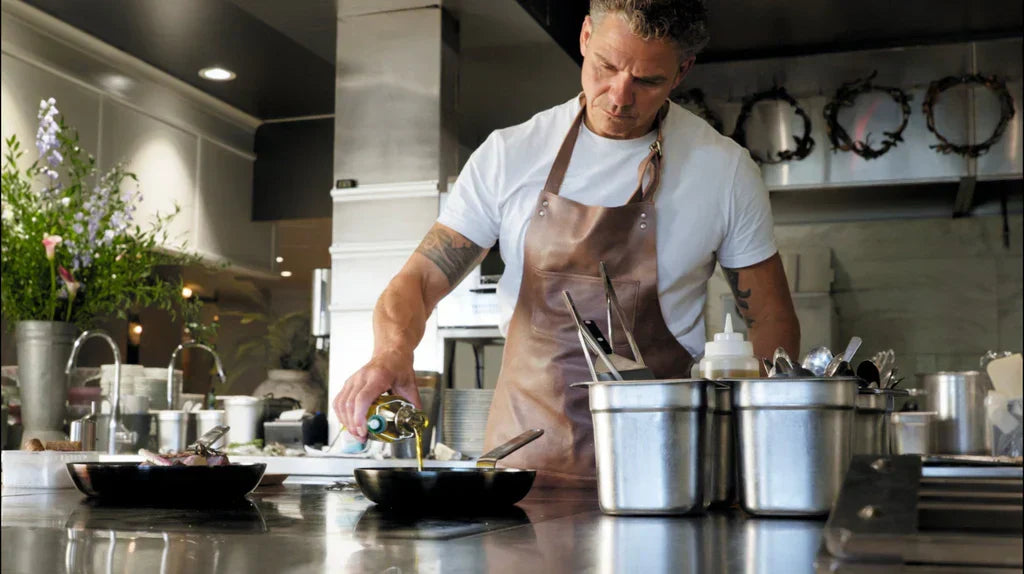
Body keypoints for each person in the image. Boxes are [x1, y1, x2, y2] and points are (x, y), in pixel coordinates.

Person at [334, 0, 799, 486]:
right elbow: (420, 279)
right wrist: (390, 353)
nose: (620, 97)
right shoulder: (509, 154)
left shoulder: (724, 171)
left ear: (682, 71)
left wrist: (760, 445)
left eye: (647, 81)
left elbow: (770, 318)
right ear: (584, 37)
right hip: (518, 470)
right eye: (606, 66)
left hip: (665, 467)